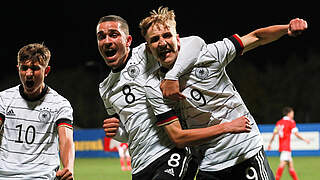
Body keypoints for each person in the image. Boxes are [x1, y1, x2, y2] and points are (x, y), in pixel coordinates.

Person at [139, 6, 308, 180]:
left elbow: (256, 37)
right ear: (148, 48)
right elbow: (178, 137)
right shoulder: (153, 87)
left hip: (245, 151)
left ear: (178, 39)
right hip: (209, 163)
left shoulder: (209, 55)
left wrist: (286, 28)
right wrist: (227, 127)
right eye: (154, 39)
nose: (162, 42)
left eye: (167, 35)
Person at [97, 15, 251, 180]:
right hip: (140, 164)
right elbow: (130, 131)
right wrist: (117, 132)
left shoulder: (146, 52)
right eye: (101, 37)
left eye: (113, 34)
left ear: (127, 40)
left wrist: (173, 76)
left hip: (173, 153)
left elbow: (196, 43)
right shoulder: (105, 88)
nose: (107, 41)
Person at [0, 43, 74, 179]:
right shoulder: (4, 99)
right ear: (18, 69)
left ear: (46, 71)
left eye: (34, 68)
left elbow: (66, 139)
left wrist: (68, 167)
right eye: (24, 68)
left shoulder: (60, 104)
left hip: (41, 176)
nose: (28, 73)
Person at [268, 107, 310, 180]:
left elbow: (274, 134)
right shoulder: (291, 122)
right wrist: (305, 139)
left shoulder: (279, 123)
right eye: (292, 113)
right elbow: (296, 133)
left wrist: (270, 144)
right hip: (286, 147)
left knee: (291, 166)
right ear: (289, 113)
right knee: (282, 164)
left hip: (282, 147)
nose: (293, 114)